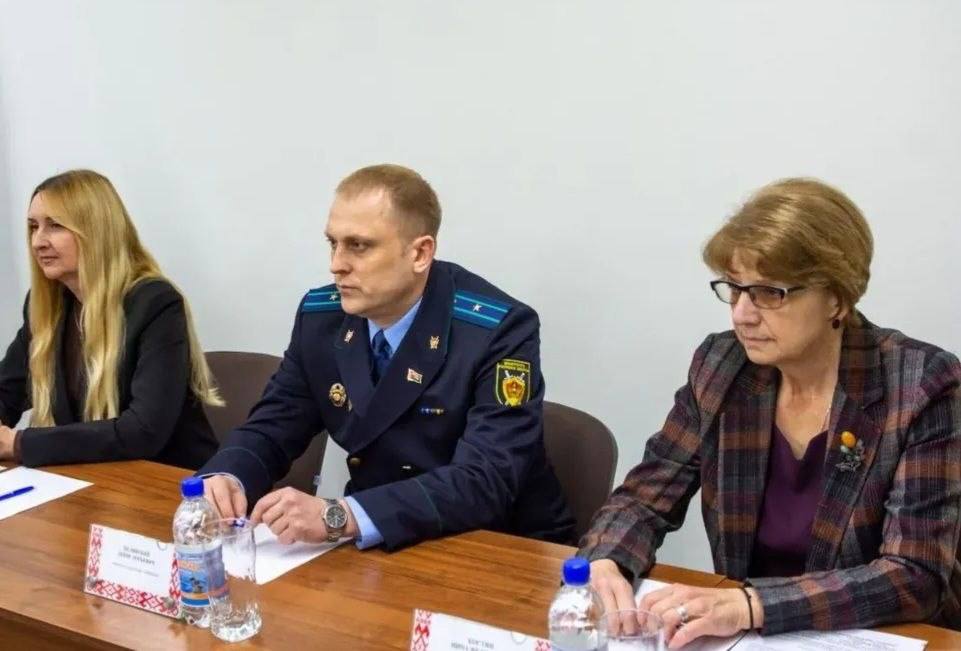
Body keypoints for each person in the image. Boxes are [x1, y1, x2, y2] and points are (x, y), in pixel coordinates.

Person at [579, 178, 961, 647]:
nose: (742, 314)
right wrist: (607, 561)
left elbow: (914, 574)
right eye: (735, 289)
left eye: (769, 292)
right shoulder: (722, 365)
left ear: (837, 298)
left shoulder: (920, 383)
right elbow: (644, 499)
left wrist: (752, 605)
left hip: (878, 637)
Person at [199, 163, 574, 550]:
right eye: (333, 243)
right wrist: (228, 477)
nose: (336, 264)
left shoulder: (497, 330)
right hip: (382, 539)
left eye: (358, 246)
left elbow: (485, 479)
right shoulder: (322, 318)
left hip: (498, 545)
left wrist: (340, 516)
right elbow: (274, 425)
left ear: (420, 253)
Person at [0, 170, 221, 469]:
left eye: (55, 225)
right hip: (92, 477)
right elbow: (7, 391)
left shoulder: (155, 304)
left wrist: (19, 443)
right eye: (33, 227)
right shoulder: (46, 305)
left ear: (95, 230)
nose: (38, 241)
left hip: (169, 482)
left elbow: (143, 431)